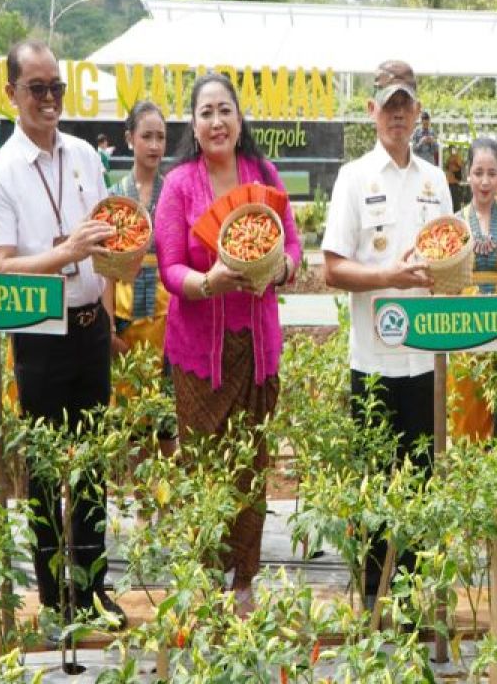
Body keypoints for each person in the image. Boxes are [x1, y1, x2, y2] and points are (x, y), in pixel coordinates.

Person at [0, 39, 124, 629]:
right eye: (36, 88)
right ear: (11, 93)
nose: (48, 99)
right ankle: (49, 594)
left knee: (91, 466)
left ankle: (91, 589)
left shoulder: (86, 155)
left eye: (56, 87)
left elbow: (105, 236)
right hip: (38, 339)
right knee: (42, 470)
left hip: (90, 328)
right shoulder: (2, 174)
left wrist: (113, 293)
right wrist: (62, 252)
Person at [155, 73, 302, 616]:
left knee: (250, 465)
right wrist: (206, 283)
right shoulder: (180, 185)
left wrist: (284, 267)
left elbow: (291, 242)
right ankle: (205, 581)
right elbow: (169, 266)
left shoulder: (263, 175)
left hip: (257, 349)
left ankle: (243, 585)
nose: (217, 121)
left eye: (226, 111)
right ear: (193, 125)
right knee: (204, 466)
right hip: (199, 357)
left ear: (240, 120)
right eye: (206, 113)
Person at [321, 60, 452, 603]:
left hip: (422, 363)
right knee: (374, 488)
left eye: (407, 105)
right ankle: (375, 599)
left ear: (418, 114)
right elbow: (332, 268)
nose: (398, 114)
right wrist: (388, 276)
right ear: (372, 110)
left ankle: (415, 602)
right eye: (388, 104)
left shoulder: (435, 180)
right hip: (372, 364)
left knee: (419, 485)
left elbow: (450, 252)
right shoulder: (354, 177)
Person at [101, 101, 176, 451]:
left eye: (160, 137)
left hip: (169, 321)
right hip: (125, 320)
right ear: (130, 139)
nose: (154, 145)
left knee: (167, 424)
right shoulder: (114, 196)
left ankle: (165, 506)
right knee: (131, 426)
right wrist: (107, 328)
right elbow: (105, 268)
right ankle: (143, 506)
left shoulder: (174, 193)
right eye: (146, 136)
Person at [448, 137, 497, 440]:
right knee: (466, 418)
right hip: (464, 335)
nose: (484, 181)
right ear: (468, 174)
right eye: (478, 172)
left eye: (491, 173)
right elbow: (448, 288)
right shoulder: (455, 225)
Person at [445, 144, 465, 211]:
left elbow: (461, 165)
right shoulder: (449, 158)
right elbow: (447, 167)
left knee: (456, 202)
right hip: (449, 182)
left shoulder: (457, 157)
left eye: (452, 149)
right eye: (450, 149)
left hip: (455, 183)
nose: (451, 151)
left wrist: (455, 160)